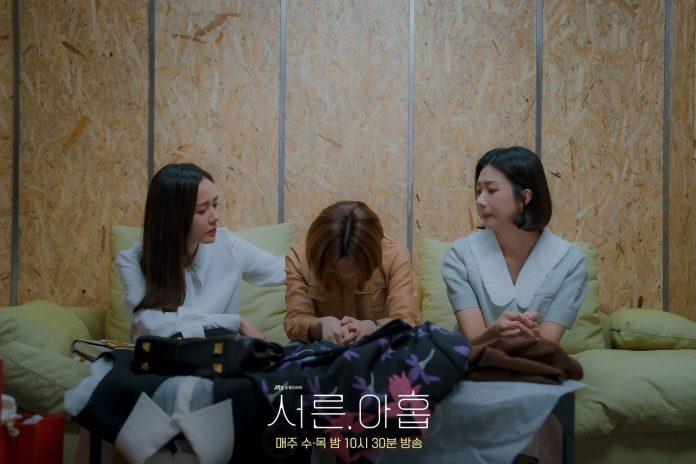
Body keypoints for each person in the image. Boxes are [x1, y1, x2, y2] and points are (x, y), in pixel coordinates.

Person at [116, 163, 285, 340]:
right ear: (172, 217)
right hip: (163, 357)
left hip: (221, 356)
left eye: (215, 204)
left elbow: (283, 270)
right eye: (202, 210)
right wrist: (235, 322)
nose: (215, 217)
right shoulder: (132, 262)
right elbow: (152, 326)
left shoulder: (227, 246)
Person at [443, 146, 588, 345]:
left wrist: (530, 336)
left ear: (524, 198)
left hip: (535, 361)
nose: (480, 201)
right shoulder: (460, 255)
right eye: (478, 191)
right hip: (476, 360)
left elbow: (548, 344)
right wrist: (495, 333)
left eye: (491, 190)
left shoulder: (571, 262)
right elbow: (473, 338)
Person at [284, 201, 420, 344]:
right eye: (333, 269)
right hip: (323, 352)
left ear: (371, 257)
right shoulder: (300, 259)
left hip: (380, 348)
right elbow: (294, 321)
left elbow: (408, 320)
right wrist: (320, 325)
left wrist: (374, 326)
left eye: (353, 269)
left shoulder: (394, 255)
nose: (344, 276)